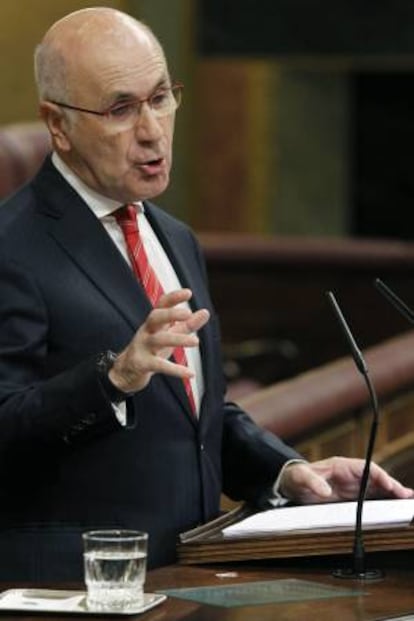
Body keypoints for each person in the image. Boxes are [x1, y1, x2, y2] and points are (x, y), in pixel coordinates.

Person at [0, 8, 411, 582]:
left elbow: (197, 415)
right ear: (59, 124)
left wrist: (288, 472)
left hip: (189, 580)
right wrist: (111, 379)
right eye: (122, 109)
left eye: (162, 97)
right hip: (76, 590)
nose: (152, 130)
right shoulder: (13, 247)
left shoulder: (174, 238)